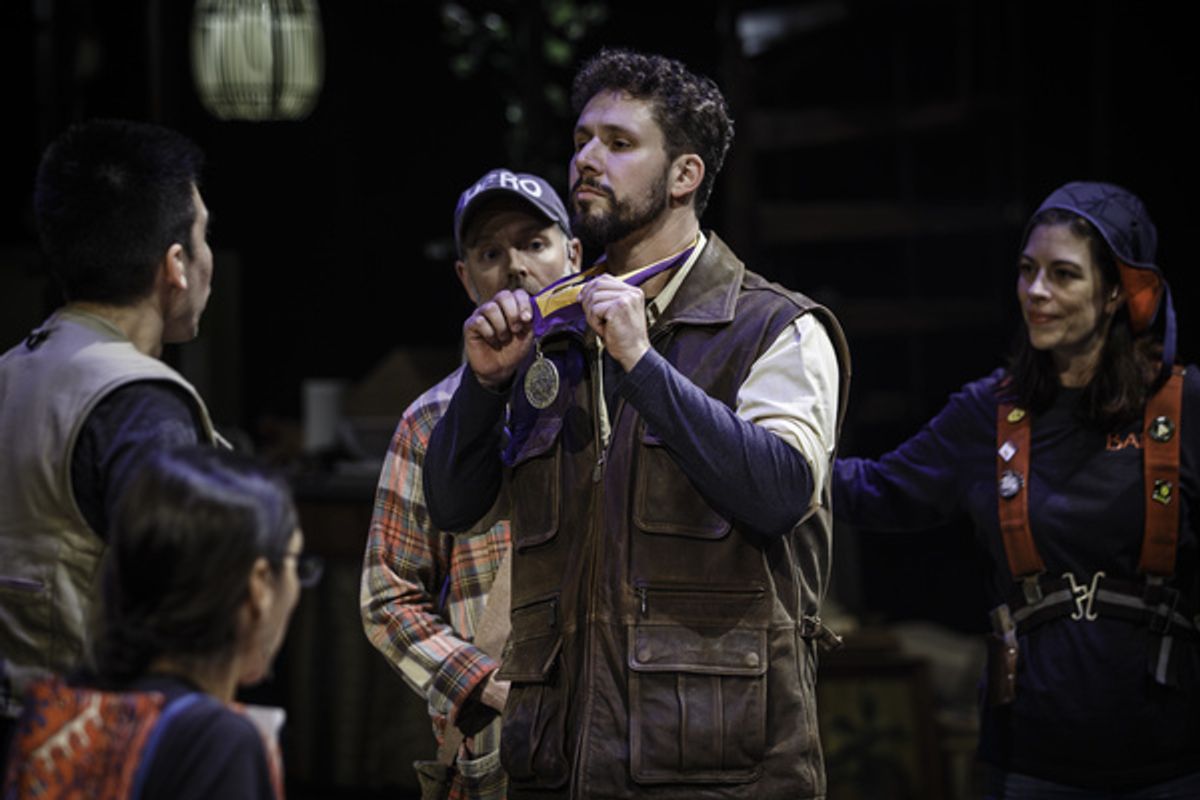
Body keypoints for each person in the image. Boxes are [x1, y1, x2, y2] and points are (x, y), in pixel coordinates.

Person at [423, 49, 850, 798]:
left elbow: (780, 492)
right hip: (560, 766)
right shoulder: (553, 333)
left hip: (716, 769)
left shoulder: (775, 327)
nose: (586, 160)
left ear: (684, 175)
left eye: (619, 143)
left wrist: (642, 362)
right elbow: (455, 508)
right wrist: (484, 388)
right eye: (582, 140)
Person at [834, 182, 1200, 797]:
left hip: (1172, 763)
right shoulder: (989, 414)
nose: (1036, 291)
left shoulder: (1184, 408)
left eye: (1063, 275)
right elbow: (873, 490)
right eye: (1028, 270)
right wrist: (754, 453)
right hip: (1031, 763)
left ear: (1115, 292)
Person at [0, 119, 224, 752]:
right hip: (96, 746)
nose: (209, 259)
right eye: (204, 236)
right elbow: (182, 615)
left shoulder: (13, 368)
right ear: (176, 265)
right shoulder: (138, 399)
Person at [359, 168, 581, 799]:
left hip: (622, 741)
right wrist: (482, 680)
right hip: (500, 755)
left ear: (574, 254)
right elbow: (387, 596)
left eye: (534, 244)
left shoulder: (619, 390)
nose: (515, 267)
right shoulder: (431, 420)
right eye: (490, 254)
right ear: (465, 278)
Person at [3, 446, 317, 799]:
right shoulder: (218, 743)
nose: (298, 586)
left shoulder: (54, 707)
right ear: (259, 586)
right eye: (297, 564)